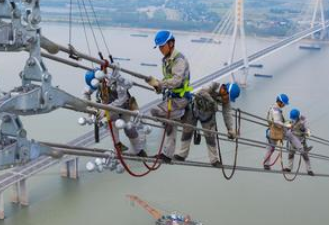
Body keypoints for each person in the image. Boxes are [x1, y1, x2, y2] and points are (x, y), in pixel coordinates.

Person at [145, 30, 194, 163]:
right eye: (159, 47)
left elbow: (177, 80)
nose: (160, 49)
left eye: (162, 46)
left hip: (181, 100)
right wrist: (158, 87)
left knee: (154, 111)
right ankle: (167, 154)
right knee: (169, 125)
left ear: (171, 43)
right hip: (171, 97)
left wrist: (160, 83)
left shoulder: (179, 60)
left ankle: (181, 114)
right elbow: (168, 80)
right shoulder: (166, 60)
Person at [83, 68, 147, 157]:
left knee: (129, 129)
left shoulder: (114, 81)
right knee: (110, 123)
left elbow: (122, 99)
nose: (98, 87)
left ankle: (139, 151)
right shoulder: (97, 82)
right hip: (112, 110)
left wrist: (105, 109)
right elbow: (86, 93)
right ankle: (118, 146)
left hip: (125, 107)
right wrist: (90, 111)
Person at [175, 82, 240, 167]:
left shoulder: (226, 99)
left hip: (207, 116)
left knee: (211, 137)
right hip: (195, 109)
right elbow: (201, 92)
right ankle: (182, 155)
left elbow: (227, 113)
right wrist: (213, 103)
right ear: (225, 90)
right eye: (227, 97)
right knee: (187, 131)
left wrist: (230, 129)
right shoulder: (214, 85)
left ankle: (214, 160)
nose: (227, 100)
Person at [263, 93, 290, 170]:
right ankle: (297, 148)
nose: (284, 105)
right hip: (275, 131)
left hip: (271, 131)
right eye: (284, 104)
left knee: (271, 148)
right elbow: (277, 121)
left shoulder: (274, 108)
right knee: (291, 136)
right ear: (280, 102)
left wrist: (285, 123)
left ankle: (266, 164)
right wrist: (286, 126)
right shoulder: (275, 110)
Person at [284, 109, 314, 176]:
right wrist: (287, 127)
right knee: (291, 153)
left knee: (304, 154)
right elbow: (288, 124)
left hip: (301, 140)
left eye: (295, 118)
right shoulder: (292, 119)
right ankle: (289, 168)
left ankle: (309, 170)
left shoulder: (303, 120)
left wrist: (308, 132)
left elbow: (307, 128)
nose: (294, 119)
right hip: (293, 139)